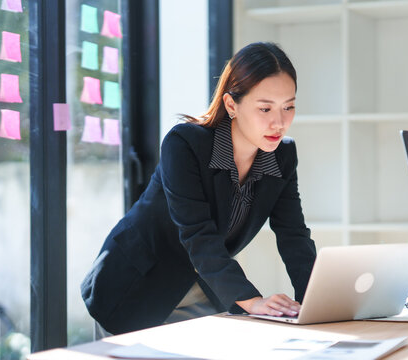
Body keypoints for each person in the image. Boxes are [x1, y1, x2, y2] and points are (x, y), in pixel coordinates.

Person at [81, 42, 317, 335]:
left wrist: (316, 303)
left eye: (289, 107)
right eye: (265, 108)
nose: (279, 122)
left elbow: (293, 235)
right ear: (232, 105)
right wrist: (253, 300)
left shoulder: (282, 155)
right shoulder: (185, 144)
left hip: (203, 287)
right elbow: (198, 235)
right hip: (134, 286)